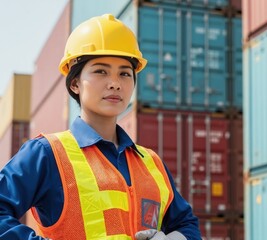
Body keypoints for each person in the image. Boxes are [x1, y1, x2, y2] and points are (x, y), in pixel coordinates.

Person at [0, 14, 201, 240]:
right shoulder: (47, 153)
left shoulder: (152, 164)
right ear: (74, 83)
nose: (115, 83)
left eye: (125, 73)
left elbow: (187, 225)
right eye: (101, 71)